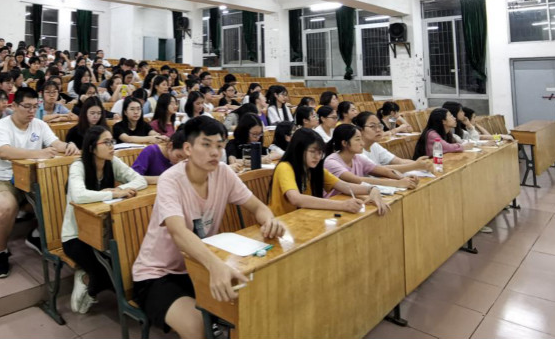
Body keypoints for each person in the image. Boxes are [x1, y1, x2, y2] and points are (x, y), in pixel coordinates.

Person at [131, 116, 286, 339]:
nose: (215, 152)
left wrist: (270, 220)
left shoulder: (223, 173)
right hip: (158, 274)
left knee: (256, 299)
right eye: (206, 145)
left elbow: (258, 207)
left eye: (220, 146)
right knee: (197, 327)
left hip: (197, 264)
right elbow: (179, 232)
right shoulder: (170, 180)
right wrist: (215, 266)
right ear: (188, 148)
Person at [0, 87, 79, 278]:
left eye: (35, 106)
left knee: (60, 196)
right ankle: (0, 252)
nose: (32, 111)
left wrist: (68, 146)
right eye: (27, 106)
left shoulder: (39, 125)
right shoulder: (2, 126)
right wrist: (38, 153)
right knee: (5, 208)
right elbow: (3, 151)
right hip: (2, 178)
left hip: (32, 178)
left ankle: (36, 235)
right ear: (14, 106)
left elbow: (55, 143)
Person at [62, 126, 147, 313]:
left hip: (103, 231)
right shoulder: (78, 166)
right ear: (92, 147)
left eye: (112, 141)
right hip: (76, 235)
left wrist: (119, 190)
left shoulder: (112, 161)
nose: (111, 146)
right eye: (106, 142)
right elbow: (79, 196)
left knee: (121, 266)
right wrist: (111, 194)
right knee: (107, 274)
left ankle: (88, 279)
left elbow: (140, 180)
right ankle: (87, 281)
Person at [268, 128, 390, 216]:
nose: (317, 157)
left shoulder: (315, 169)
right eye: (312, 151)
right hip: (283, 222)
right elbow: (296, 199)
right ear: (299, 150)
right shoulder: (285, 167)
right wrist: (342, 205)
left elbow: (344, 186)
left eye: (320, 152)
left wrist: (371, 189)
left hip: (305, 216)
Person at [324, 124, 418, 192]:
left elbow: (385, 171)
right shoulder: (331, 162)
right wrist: (397, 183)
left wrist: (404, 178)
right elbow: (357, 180)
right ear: (344, 143)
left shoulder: (357, 158)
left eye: (361, 139)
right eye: (357, 139)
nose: (362, 143)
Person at [353, 112, 433, 174]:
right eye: (372, 126)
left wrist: (423, 164)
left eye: (379, 126)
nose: (378, 130)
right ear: (360, 130)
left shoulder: (374, 145)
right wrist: (415, 166)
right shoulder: (357, 151)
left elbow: (399, 161)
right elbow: (379, 170)